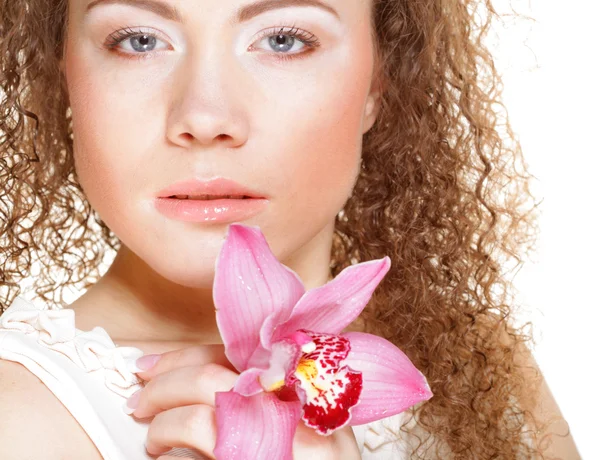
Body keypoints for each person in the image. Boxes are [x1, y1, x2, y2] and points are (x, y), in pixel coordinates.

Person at [0, 0, 580, 458]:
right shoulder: (16, 418)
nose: (205, 117)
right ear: (65, 76)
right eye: (139, 40)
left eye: (283, 39)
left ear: (380, 83)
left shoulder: (479, 373)